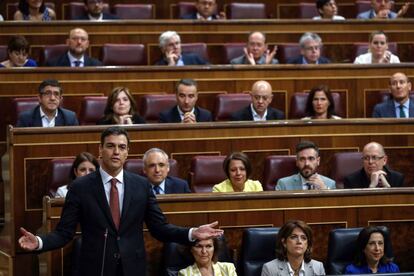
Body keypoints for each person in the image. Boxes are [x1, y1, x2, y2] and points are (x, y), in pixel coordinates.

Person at [18, 126, 224, 275]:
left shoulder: (141, 186)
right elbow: (64, 233)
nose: (116, 151)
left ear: (127, 152)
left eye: (121, 147)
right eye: (110, 146)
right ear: (100, 150)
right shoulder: (80, 187)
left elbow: (160, 228)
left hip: (132, 267)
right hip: (95, 268)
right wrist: (39, 242)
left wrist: (192, 233)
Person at [261, 220, 325, 276]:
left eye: (303, 238)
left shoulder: (318, 267)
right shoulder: (270, 269)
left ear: (307, 244)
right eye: (293, 237)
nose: (299, 241)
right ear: (284, 242)